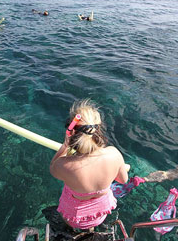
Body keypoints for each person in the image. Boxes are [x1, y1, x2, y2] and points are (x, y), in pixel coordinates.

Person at [50, 99, 129, 230]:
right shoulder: (114, 154)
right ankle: (90, 230)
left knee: (68, 225)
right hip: (99, 214)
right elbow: (123, 180)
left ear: (72, 132)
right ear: (98, 130)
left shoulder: (64, 165)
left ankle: (71, 230)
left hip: (73, 217)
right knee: (90, 227)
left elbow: (52, 168)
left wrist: (65, 145)